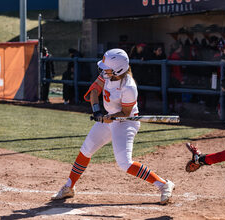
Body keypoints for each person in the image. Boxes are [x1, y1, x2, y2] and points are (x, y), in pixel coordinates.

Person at [51, 48, 175, 204]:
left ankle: (164, 185)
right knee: (85, 150)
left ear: (118, 69)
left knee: (124, 163)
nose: (104, 71)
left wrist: (112, 117)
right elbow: (94, 91)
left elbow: (126, 112)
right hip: (108, 119)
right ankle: (69, 187)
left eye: (107, 69)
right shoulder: (107, 75)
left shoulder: (128, 87)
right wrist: (97, 112)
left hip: (126, 122)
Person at [129, 43, 148, 111]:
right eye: (140, 47)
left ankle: (142, 106)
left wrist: (144, 58)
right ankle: (134, 106)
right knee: (134, 91)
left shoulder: (144, 54)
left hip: (143, 75)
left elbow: (148, 57)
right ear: (137, 47)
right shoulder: (133, 54)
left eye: (142, 47)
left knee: (142, 91)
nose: (142, 48)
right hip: (134, 75)